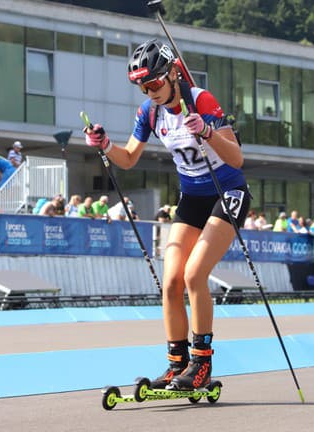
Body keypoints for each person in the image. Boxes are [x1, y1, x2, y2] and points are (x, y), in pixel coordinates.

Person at [84, 39, 249, 391]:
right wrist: (105, 145)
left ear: (174, 74)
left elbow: (236, 159)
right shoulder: (149, 112)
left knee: (194, 276)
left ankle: (202, 364)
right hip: (192, 197)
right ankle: (178, 364)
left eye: (155, 83)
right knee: (171, 282)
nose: (150, 91)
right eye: (143, 87)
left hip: (227, 193)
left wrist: (205, 131)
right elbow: (128, 158)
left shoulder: (200, 99)